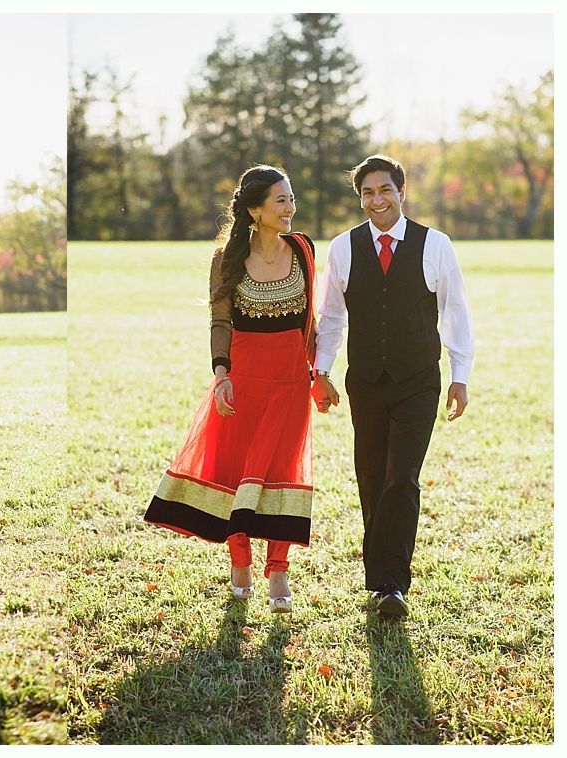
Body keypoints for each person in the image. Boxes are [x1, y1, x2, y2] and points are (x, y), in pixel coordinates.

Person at [145, 165, 321, 614]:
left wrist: (319, 373)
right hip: (242, 380)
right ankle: (239, 561)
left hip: (290, 381)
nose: (290, 207)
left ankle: (278, 569)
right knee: (237, 471)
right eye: (280, 200)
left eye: (291, 197)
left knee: (283, 469)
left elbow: (310, 322)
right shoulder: (226, 257)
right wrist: (221, 373)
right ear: (255, 209)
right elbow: (219, 319)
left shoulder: (303, 249)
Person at [311, 154, 474, 617]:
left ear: (401, 192)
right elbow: (333, 317)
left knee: (401, 477)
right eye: (367, 192)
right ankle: (381, 578)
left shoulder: (435, 245)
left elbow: (455, 311)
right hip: (365, 381)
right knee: (371, 474)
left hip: (418, 381)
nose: (376, 200)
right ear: (360, 198)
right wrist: (320, 371)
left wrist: (460, 377)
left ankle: (392, 584)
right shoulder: (344, 247)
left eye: (385, 190)